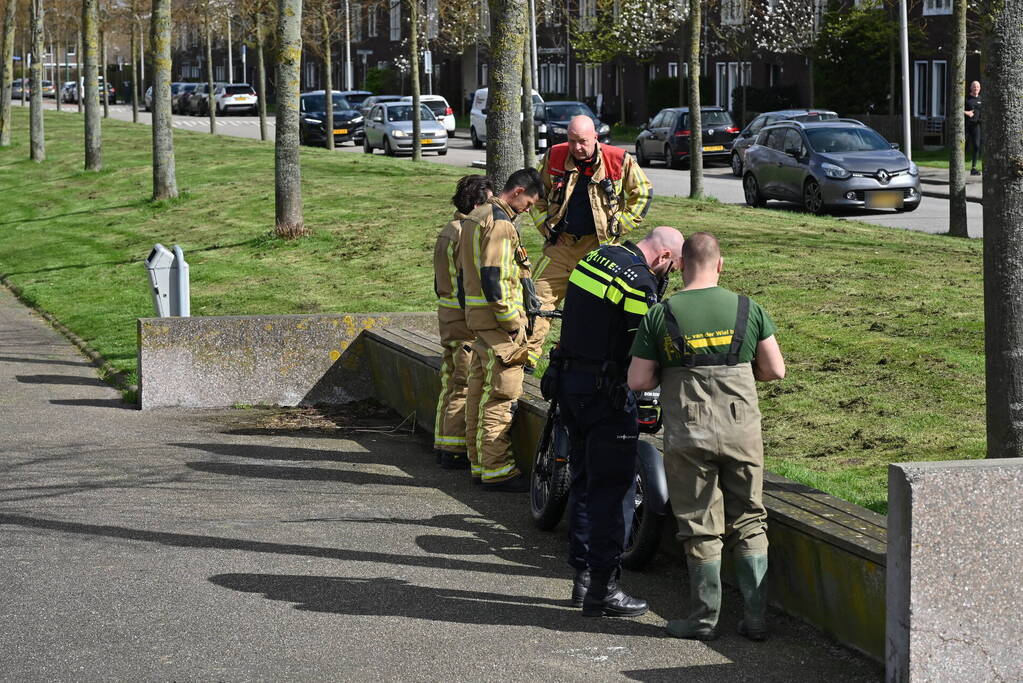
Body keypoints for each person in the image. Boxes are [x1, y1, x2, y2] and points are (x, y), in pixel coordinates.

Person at [628, 232, 786, 642]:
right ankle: (755, 620)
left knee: (699, 525)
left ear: (679, 265)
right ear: (720, 264)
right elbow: (775, 370)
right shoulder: (749, 309)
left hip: (689, 430)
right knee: (750, 518)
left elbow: (638, 379)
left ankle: (702, 622)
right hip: (741, 429)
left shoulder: (661, 314)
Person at [550, 226, 684, 617]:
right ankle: (603, 589)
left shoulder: (596, 256)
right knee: (614, 491)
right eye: (670, 268)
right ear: (662, 257)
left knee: (584, 482)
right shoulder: (639, 284)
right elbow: (638, 349)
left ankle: (582, 579)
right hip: (606, 397)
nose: (666, 276)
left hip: (569, 387)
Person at [526, 116, 653, 369]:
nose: (577, 148)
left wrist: (619, 226)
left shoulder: (618, 160)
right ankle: (526, 359)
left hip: (599, 249)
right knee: (536, 299)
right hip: (561, 247)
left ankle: (588, 362)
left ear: (595, 137)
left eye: (582, 142)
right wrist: (546, 227)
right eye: (571, 141)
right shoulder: (555, 157)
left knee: (596, 308)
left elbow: (643, 193)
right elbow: (537, 194)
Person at [459, 168, 544, 492]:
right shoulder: (501, 223)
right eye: (530, 202)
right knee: (502, 395)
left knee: (478, 391)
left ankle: (479, 461)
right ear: (519, 190)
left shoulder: (476, 216)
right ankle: (497, 468)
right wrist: (512, 322)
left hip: (478, 320)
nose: (529, 209)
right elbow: (494, 278)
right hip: (498, 324)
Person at [432, 174, 495, 470]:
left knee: (450, 380)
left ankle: (445, 441)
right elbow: (467, 282)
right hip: (462, 317)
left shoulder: (448, 229)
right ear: (478, 203)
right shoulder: (465, 233)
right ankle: (454, 449)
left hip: (447, 315)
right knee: (464, 383)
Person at [964, 80, 982, 176]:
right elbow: (957, 109)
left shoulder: (981, 99)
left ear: (980, 89)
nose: (976, 89)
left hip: (976, 126)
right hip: (966, 125)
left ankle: (974, 168)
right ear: (971, 88)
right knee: (964, 146)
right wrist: (966, 112)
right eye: (974, 87)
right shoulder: (966, 99)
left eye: (978, 87)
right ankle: (959, 167)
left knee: (977, 146)